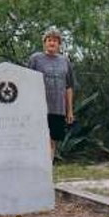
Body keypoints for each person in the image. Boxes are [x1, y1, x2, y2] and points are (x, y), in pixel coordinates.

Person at [28, 27, 74, 161]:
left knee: (53, 140)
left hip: (58, 108)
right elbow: (27, 82)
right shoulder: (36, 59)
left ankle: (48, 169)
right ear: (44, 43)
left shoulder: (65, 61)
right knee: (41, 139)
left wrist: (69, 110)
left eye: (54, 41)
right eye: (49, 40)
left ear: (59, 44)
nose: (51, 43)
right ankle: (38, 169)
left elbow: (69, 86)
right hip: (39, 108)